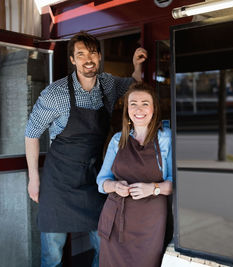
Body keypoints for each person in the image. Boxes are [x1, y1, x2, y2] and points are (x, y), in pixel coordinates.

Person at [25, 31, 147, 267]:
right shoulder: (55, 94)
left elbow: (133, 84)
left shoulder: (108, 85)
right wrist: (34, 179)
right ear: (72, 60)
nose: (88, 59)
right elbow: (31, 134)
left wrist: (136, 66)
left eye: (92, 53)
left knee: (104, 246)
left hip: (94, 179)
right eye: (81, 54)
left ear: (99, 56)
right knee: (52, 257)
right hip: (58, 183)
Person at [96, 82, 173, 267]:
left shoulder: (166, 137)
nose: (139, 109)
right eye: (133, 103)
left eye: (145, 103)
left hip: (150, 222)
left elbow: (175, 182)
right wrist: (114, 186)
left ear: (154, 108)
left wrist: (153, 188)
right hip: (116, 220)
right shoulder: (118, 139)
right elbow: (101, 181)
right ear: (127, 109)